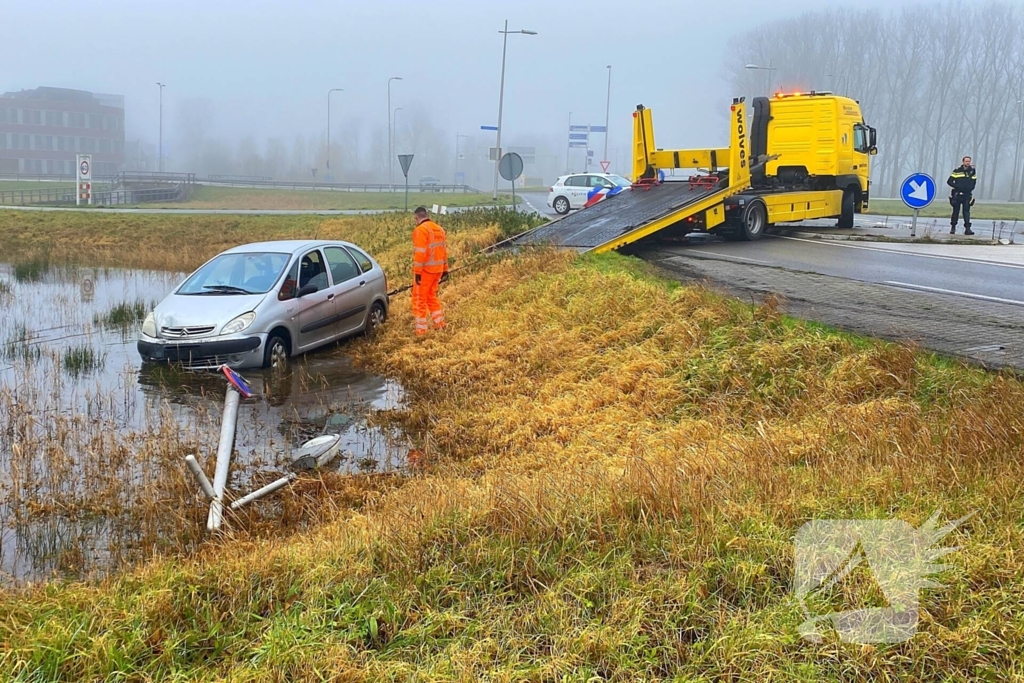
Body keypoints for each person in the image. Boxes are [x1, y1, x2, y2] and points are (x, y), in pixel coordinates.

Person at [411, 206, 449, 335]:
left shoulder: (421, 230)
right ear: (427, 215)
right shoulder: (439, 229)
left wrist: (417, 272)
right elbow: (443, 251)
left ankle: (421, 330)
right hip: (438, 270)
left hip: (426, 271)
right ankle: (439, 324)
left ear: (416, 217)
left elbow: (420, 253)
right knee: (431, 297)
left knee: (419, 299)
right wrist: (445, 269)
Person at [947, 156, 977, 235]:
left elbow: (974, 182)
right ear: (963, 162)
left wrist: (970, 188)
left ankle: (968, 229)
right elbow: (949, 181)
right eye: (966, 161)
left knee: (966, 212)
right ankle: (953, 228)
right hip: (957, 194)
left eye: (969, 161)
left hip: (967, 195)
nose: (968, 163)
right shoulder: (957, 171)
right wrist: (957, 186)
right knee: (955, 211)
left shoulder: (972, 171)